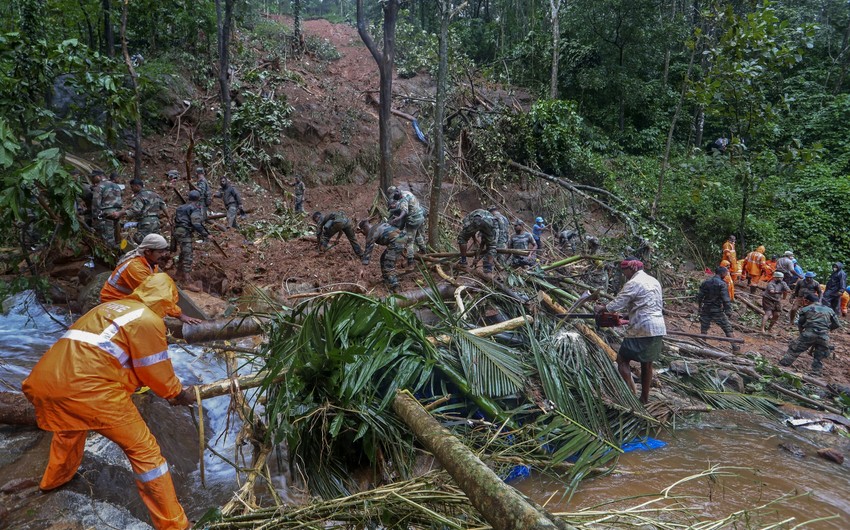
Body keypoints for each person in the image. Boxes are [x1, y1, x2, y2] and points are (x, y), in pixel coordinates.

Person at [22, 273, 195, 530]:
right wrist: (177, 394)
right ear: (167, 300)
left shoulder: (108, 308)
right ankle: (174, 524)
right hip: (90, 391)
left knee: (69, 429)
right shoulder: (147, 320)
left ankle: (53, 481)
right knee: (146, 454)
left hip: (45, 381)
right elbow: (155, 370)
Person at [595, 258, 666, 404]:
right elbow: (650, 304)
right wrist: (628, 315)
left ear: (631, 269)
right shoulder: (653, 281)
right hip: (658, 326)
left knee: (622, 360)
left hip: (642, 327)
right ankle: (644, 399)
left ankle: (630, 396)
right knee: (647, 364)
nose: (624, 274)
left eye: (624, 270)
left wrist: (602, 308)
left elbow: (618, 302)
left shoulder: (634, 282)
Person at [100, 234, 201, 325]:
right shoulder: (136, 268)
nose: (164, 254)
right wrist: (180, 316)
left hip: (128, 299)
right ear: (148, 251)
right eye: (160, 252)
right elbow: (155, 296)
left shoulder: (151, 263)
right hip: (115, 301)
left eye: (165, 251)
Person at [780, 293, 840, 377]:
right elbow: (837, 324)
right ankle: (815, 372)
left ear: (807, 301)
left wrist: (802, 334)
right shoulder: (829, 310)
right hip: (824, 336)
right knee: (820, 355)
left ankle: (784, 364)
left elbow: (800, 323)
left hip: (809, 333)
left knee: (794, 349)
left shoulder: (806, 309)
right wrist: (826, 329)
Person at [696, 266, 740, 353]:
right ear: (722, 273)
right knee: (727, 328)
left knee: (704, 328)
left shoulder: (706, 282)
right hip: (717, 310)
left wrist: (700, 307)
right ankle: (735, 347)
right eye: (726, 273)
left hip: (706, 309)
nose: (727, 274)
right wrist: (728, 311)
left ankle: (702, 347)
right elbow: (726, 299)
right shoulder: (722, 284)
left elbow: (700, 296)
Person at [359, 219, 407, 293]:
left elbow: (367, 252)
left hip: (395, 243)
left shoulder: (371, 232)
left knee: (388, 266)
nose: (364, 234)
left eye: (363, 232)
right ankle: (386, 279)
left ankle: (395, 287)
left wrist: (362, 269)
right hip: (402, 239)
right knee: (383, 258)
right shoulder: (380, 225)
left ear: (365, 228)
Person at [171, 190, 209, 281]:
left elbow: (174, 220)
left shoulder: (180, 207)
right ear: (198, 198)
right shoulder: (194, 208)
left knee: (183, 252)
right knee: (188, 254)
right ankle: (187, 279)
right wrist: (206, 234)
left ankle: (178, 274)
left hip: (177, 232)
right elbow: (196, 224)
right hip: (185, 233)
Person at [118, 178, 169, 244]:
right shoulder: (155, 194)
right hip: (156, 222)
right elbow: (163, 206)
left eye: (132, 187)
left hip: (146, 223)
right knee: (155, 240)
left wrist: (121, 213)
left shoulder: (140, 196)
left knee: (141, 240)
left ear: (137, 186)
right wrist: (168, 217)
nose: (131, 189)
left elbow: (135, 210)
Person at [387, 186, 427, 265]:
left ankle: (410, 261)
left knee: (409, 241)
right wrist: (395, 206)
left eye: (394, 196)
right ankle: (424, 250)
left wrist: (398, 218)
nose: (394, 198)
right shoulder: (406, 193)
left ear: (397, 192)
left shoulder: (403, 199)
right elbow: (405, 204)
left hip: (413, 221)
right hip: (420, 217)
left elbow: (404, 211)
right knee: (418, 235)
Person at [457, 209, 499, 274]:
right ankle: (489, 268)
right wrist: (475, 240)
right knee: (492, 246)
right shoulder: (488, 214)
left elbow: (468, 228)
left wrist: (473, 239)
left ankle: (463, 261)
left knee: (462, 238)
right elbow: (484, 239)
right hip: (491, 222)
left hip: (478, 219)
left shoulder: (468, 218)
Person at [92, 171, 123, 248]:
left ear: (99, 176)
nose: (92, 179)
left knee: (108, 239)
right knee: (116, 236)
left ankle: (111, 254)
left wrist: (95, 216)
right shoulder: (116, 186)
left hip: (106, 214)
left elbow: (96, 203)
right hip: (118, 213)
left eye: (93, 177)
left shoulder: (100, 186)